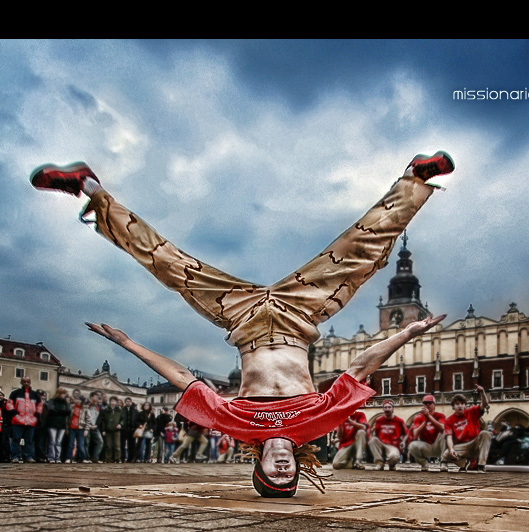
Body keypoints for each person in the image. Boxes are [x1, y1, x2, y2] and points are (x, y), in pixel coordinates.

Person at [31, 151, 453, 497]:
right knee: (360, 254)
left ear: (260, 467)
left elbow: (182, 377)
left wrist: (129, 344)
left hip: (243, 317)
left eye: (275, 474)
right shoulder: (317, 424)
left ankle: (89, 188)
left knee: (168, 264)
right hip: (298, 312)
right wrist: (405, 333)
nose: (285, 469)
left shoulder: (235, 425)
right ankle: (414, 179)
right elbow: (360, 368)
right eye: (290, 477)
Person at [441, 385, 491, 472]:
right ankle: (464, 464)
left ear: (465, 405)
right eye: (457, 404)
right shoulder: (449, 420)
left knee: (486, 434)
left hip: (475, 443)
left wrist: (482, 392)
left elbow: (484, 404)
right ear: (453, 407)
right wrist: (451, 448)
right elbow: (448, 437)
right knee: (446, 454)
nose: (460, 406)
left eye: (462, 404)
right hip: (462, 446)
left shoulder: (472, 411)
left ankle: (481, 465)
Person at [6, 376, 44, 463]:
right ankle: (15, 456)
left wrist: (35, 417)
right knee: (16, 439)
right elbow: (9, 404)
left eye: (27, 382)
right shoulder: (15, 393)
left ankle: (28, 456)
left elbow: (39, 407)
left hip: (31, 421)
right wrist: (15, 415)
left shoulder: (35, 395)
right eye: (24, 382)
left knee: (29, 440)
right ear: (21, 383)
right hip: (18, 420)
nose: (26, 383)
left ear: (30, 383)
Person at [408, 395, 446, 471]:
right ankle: (424, 464)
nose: (427, 405)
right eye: (425, 403)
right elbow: (415, 434)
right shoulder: (418, 417)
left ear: (434, 405)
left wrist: (429, 417)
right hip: (426, 446)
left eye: (430, 403)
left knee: (445, 433)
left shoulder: (440, 415)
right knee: (412, 446)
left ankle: (444, 462)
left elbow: (442, 428)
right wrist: (425, 421)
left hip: (438, 446)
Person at [367, 400, 409, 471]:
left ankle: (391, 465)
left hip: (393, 446)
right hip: (381, 444)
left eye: (389, 407)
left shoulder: (399, 421)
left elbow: (407, 433)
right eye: (385, 407)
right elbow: (375, 434)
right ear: (383, 409)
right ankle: (379, 463)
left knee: (394, 457)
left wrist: (404, 441)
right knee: (372, 440)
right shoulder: (379, 420)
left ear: (393, 409)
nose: (387, 409)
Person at [45, 388, 71, 463]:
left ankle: (58, 457)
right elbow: (52, 410)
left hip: (61, 424)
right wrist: (62, 412)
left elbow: (68, 412)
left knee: (59, 442)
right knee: (52, 441)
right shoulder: (52, 401)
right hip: (52, 423)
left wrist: (62, 410)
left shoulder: (65, 403)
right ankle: (51, 457)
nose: (64, 395)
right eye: (63, 393)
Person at [100, 396, 124, 462]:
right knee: (108, 445)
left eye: (114, 401)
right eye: (112, 401)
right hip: (108, 430)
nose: (113, 402)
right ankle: (108, 458)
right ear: (110, 402)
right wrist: (103, 430)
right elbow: (103, 420)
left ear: (116, 402)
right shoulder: (106, 410)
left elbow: (123, 419)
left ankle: (117, 458)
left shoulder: (119, 410)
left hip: (116, 430)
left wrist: (120, 424)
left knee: (117, 445)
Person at [83, 391, 104, 463]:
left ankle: (95, 458)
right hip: (87, 426)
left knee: (100, 442)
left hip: (95, 427)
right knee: (87, 442)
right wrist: (89, 425)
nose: (97, 398)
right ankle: (86, 458)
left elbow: (100, 417)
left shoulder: (98, 406)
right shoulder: (86, 404)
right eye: (95, 397)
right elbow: (85, 415)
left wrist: (96, 425)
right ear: (91, 397)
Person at [66, 394, 88, 463]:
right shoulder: (71, 407)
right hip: (72, 427)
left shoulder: (85, 408)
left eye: (79, 399)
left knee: (80, 444)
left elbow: (88, 419)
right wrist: (67, 428)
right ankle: (69, 458)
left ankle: (83, 458)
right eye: (76, 399)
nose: (77, 401)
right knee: (70, 444)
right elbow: (67, 418)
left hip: (81, 428)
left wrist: (86, 429)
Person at [120, 397, 138, 462]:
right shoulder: (122, 410)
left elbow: (136, 420)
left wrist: (135, 427)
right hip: (124, 429)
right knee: (122, 444)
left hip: (132, 430)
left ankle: (130, 458)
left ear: (131, 402)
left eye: (129, 401)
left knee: (132, 445)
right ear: (125, 402)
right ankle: (122, 457)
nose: (128, 402)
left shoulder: (135, 411)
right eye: (127, 401)